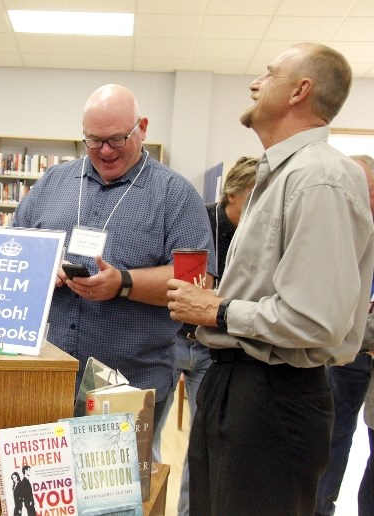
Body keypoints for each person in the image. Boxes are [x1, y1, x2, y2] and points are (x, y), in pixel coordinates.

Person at [166, 43, 374, 515]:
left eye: (269, 73)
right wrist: (219, 303)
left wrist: (216, 310)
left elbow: (316, 319)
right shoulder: (280, 175)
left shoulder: (320, 178)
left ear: (301, 91)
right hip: (238, 384)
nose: (255, 83)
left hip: (274, 395)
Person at [13, 84, 215, 462]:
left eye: (117, 139)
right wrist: (42, 266)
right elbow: (13, 252)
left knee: (114, 496)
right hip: (44, 377)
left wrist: (124, 283)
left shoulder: (176, 196)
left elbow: (197, 283)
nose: (105, 151)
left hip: (129, 384)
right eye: (94, 141)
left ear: (143, 128)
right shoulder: (52, 184)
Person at [158, 155, 257, 515]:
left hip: (213, 349)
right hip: (173, 340)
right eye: (251, 198)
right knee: (148, 435)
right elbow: (184, 285)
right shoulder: (199, 221)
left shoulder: (259, 232)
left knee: (204, 444)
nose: (256, 207)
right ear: (230, 195)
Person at [316, 154, 374, 516]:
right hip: (345, 352)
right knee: (333, 440)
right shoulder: (336, 228)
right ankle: (321, 508)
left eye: (362, 188)